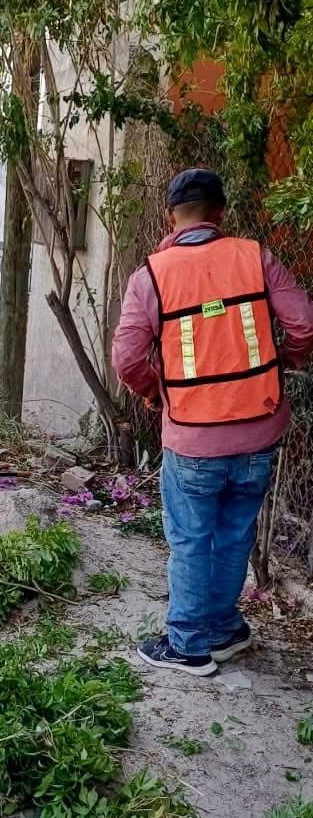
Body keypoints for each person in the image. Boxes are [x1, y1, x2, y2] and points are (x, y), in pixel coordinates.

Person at [113, 167, 313, 678]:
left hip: (193, 438)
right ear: (221, 213)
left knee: (189, 540)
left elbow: (128, 358)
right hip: (258, 433)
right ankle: (224, 629)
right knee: (233, 536)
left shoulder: (152, 276)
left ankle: (187, 645)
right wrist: (284, 360)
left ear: (170, 217)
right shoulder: (255, 257)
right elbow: (304, 324)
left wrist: (156, 391)